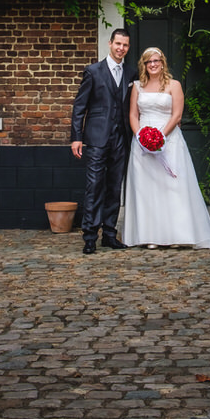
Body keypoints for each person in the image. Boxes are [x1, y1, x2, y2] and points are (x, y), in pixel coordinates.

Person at [120, 47, 210, 249]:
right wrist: (141, 137)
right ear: (144, 65)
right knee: (146, 190)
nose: (153, 64)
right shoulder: (137, 87)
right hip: (141, 144)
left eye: (156, 61)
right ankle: (151, 236)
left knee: (173, 188)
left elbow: (177, 116)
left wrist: (158, 137)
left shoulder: (174, 85)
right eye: (148, 62)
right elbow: (133, 115)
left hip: (169, 140)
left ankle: (177, 236)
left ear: (162, 62)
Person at [70, 28, 135, 255]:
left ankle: (109, 234)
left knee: (114, 188)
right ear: (110, 44)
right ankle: (90, 236)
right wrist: (76, 138)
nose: (121, 48)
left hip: (121, 139)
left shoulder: (131, 73)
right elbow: (80, 107)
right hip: (97, 138)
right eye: (118, 44)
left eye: (125, 45)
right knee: (94, 186)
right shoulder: (93, 71)